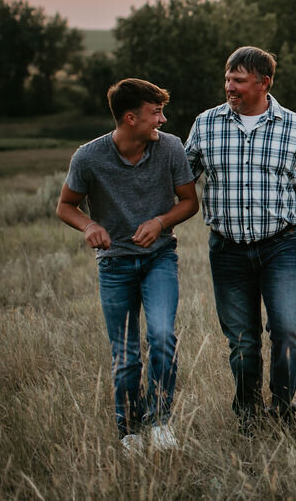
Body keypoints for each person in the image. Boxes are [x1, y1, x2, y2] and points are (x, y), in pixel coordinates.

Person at [184, 46, 296, 432]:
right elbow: (181, 180)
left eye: (239, 80)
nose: (229, 86)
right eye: (228, 78)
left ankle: (282, 409)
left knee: (287, 329)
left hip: (279, 246)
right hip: (226, 250)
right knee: (243, 341)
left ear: (264, 83)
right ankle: (248, 413)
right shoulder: (206, 124)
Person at [56, 78, 199, 452]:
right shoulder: (88, 157)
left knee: (163, 338)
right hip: (115, 266)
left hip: (159, 259)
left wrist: (160, 222)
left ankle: (160, 422)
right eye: (156, 113)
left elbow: (188, 201)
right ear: (131, 118)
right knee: (126, 353)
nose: (163, 120)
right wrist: (89, 225)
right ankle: (129, 430)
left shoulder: (170, 149)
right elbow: (65, 206)